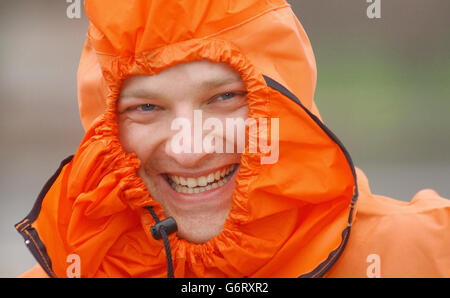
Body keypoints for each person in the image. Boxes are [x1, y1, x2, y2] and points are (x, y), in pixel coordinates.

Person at [16, 0, 449, 278]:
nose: (190, 148)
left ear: (287, 104)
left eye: (224, 97)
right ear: (106, 131)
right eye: (146, 108)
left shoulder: (429, 256)